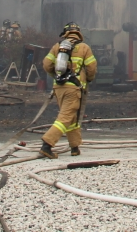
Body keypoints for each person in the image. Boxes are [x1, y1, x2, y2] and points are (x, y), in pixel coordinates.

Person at [39, 22, 97, 158]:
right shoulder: (84, 47)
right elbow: (92, 68)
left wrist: (56, 76)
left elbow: (46, 64)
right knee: (65, 116)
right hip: (73, 88)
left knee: (71, 117)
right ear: (78, 33)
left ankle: (74, 147)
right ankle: (47, 145)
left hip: (58, 88)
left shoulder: (57, 46)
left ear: (65, 33)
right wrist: (88, 79)